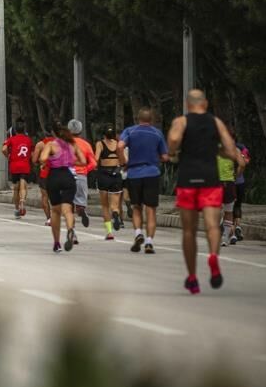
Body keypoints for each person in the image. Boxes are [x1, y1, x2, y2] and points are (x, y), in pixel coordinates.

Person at [167, 89, 243, 294]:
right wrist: (216, 149)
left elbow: (172, 143)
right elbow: (230, 149)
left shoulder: (181, 122)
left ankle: (192, 278)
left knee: (189, 231)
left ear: (188, 104)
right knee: (212, 227)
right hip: (210, 180)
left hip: (187, 180)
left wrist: (175, 149)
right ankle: (212, 258)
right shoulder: (216, 123)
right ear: (205, 104)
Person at [119, 108, 170, 254]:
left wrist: (124, 162)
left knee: (136, 207)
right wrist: (156, 159)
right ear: (151, 119)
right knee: (151, 210)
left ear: (137, 118)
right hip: (152, 174)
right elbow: (165, 157)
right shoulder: (157, 133)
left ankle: (138, 233)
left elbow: (120, 146)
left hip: (134, 174)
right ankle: (149, 242)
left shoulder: (130, 131)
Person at [39, 122, 85, 253]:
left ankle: (57, 243)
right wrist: (70, 161)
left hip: (54, 177)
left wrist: (48, 162)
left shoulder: (51, 144)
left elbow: (42, 158)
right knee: (68, 210)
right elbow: (83, 161)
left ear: (53, 133)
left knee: (55, 211)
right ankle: (70, 229)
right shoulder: (73, 145)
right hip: (68, 177)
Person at [94, 125, 124, 240]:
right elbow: (124, 160)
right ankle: (115, 213)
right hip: (116, 175)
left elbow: (96, 158)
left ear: (103, 135)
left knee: (105, 205)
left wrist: (95, 166)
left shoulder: (100, 144)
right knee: (114, 205)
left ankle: (109, 232)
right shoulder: (118, 144)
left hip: (103, 176)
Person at [217, 128, 245, 247]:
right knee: (229, 211)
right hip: (230, 182)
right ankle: (225, 238)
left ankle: (220, 233)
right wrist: (236, 174)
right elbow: (242, 164)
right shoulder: (235, 150)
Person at [67, 119, 96, 228]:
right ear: (80, 130)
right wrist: (84, 170)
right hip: (81, 176)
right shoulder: (86, 145)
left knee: (68, 206)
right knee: (80, 204)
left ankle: (72, 231)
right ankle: (82, 211)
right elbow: (93, 163)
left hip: (67, 176)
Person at [2, 120, 34, 219]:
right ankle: (23, 201)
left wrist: (9, 156)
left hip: (14, 165)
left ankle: (16, 209)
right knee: (23, 186)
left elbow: (3, 149)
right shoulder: (28, 140)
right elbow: (32, 154)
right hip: (25, 165)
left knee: (16, 188)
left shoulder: (11, 139)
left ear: (15, 130)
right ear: (24, 130)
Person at [32, 129, 56, 226]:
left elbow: (34, 160)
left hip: (45, 173)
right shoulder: (60, 144)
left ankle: (49, 218)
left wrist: (40, 162)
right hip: (57, 173)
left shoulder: (40, 144)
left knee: (45, 197)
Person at [233, 136, 250, 241]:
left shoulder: (222, 149)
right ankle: (238, 226)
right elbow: (246, 161)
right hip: (240, 181)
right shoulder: (242, 148)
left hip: (228, 182)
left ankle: (231, 231)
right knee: (237, 205)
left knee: (228, 207)